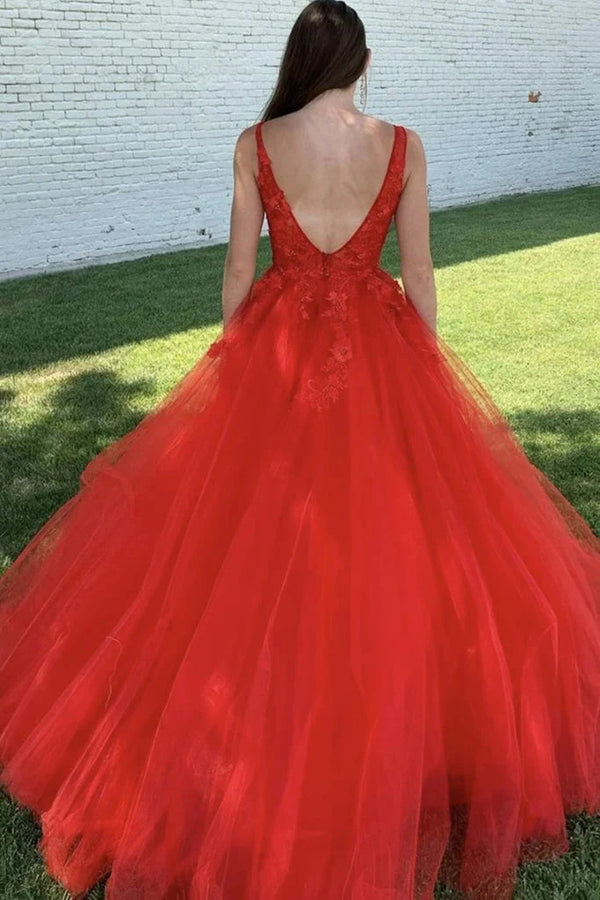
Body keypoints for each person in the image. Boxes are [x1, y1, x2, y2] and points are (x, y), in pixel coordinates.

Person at [1, 1, 599, 897]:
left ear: (299, 59)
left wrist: (236, 366)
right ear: (360, 61)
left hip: (277, 348)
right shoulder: (402, 146)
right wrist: (426, 372)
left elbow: (240, 272)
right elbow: (420, 271)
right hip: (379, 346)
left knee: (244, 546)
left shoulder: (256, 143)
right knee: (395, 542)